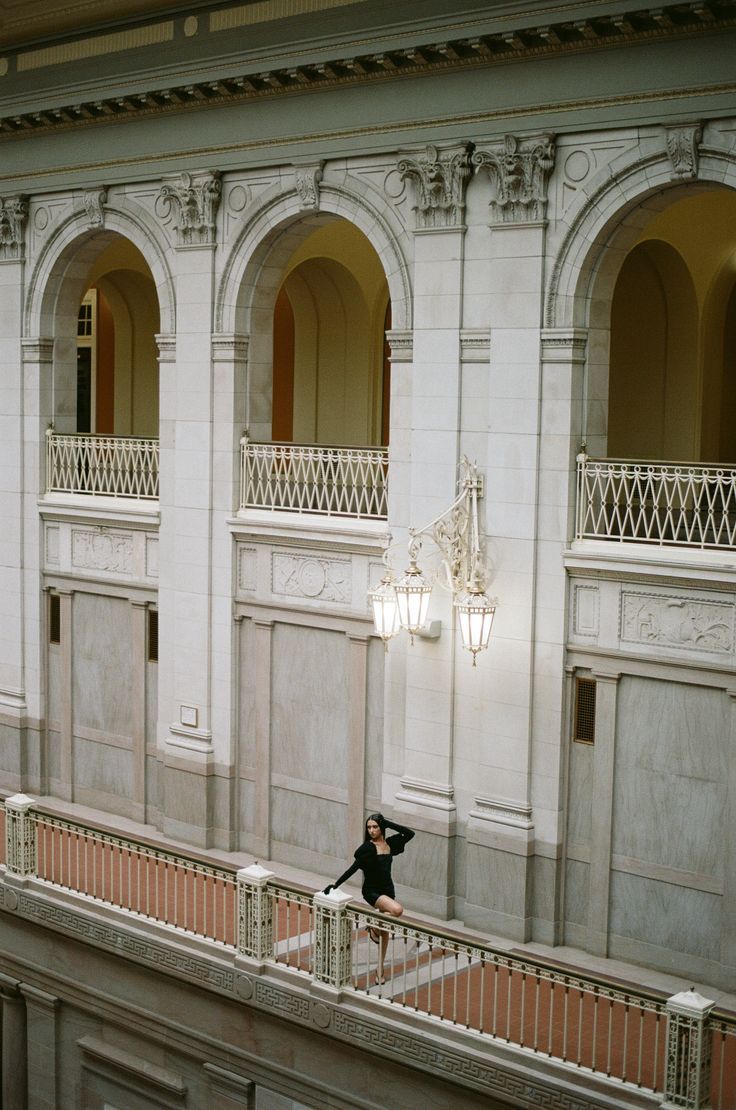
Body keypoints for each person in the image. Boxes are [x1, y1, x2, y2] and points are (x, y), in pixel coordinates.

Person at [323, 813, 414, 984]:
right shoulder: (367, 848)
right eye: (369, 827)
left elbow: (410, 834)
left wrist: (388, 823)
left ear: (382, 827)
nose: (371, 830)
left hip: (388, 890)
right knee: (397, 910)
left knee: (384, 931)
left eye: (375, 827)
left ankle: (380, 970)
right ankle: (373, 923)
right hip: (372, 891)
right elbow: (353, 868)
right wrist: (335, 885)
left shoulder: (390, 845)